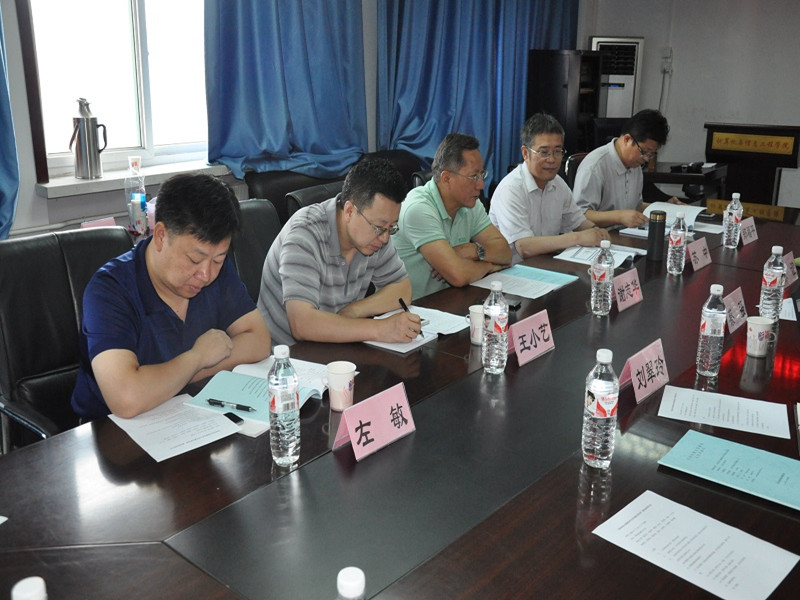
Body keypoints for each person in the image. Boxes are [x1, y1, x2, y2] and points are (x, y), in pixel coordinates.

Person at [71, 173, 271, 420]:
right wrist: (197, 358)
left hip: (189, 415)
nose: (206, 274)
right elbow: (127, 398)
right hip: (112, 432)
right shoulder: (110, 290)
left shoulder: (212, 268)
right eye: (194, 260)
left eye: (219, 260)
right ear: (160, 236)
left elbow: (258, 339)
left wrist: (173, 378)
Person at [258, 157, 420, 346]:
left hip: (336, 347)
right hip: (286, 355)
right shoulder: (305, 233)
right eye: (379, 227)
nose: (385, 238)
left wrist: (354, 311)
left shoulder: (374, 236)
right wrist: (381, 329)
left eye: (391, 227)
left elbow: (402, 288)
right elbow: (302, 324)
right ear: (349, 210)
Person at [393, 133, 512, 300]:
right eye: (474, 176)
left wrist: (474, 251)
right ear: (446, 178)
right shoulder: (418, 209)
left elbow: (505, 253)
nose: (481, 185)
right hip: (412, 307)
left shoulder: (470, 203)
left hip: (450, 301)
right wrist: (490, 267)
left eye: (481, 174)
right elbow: (458, 276)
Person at [489, 113, 609, 263]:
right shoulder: (510, 189)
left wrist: (597, 232)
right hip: (512, 270)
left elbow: (578, 222)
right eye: (544, 152)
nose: (552, 159)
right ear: (525, 153)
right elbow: (524, 247)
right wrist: (577, 237)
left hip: (546, 265)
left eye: (557, 151)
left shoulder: (558, 183)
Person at [572, 109, 682, 228]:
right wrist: (619, 217)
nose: (646, 159)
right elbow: (580, 215)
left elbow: (636, 207)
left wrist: (664, 208)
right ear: (627, 139)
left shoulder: (635, 165)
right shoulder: (595, 166)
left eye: (651, 154)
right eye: (644, 151)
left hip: (626, 233)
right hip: (601, 235)